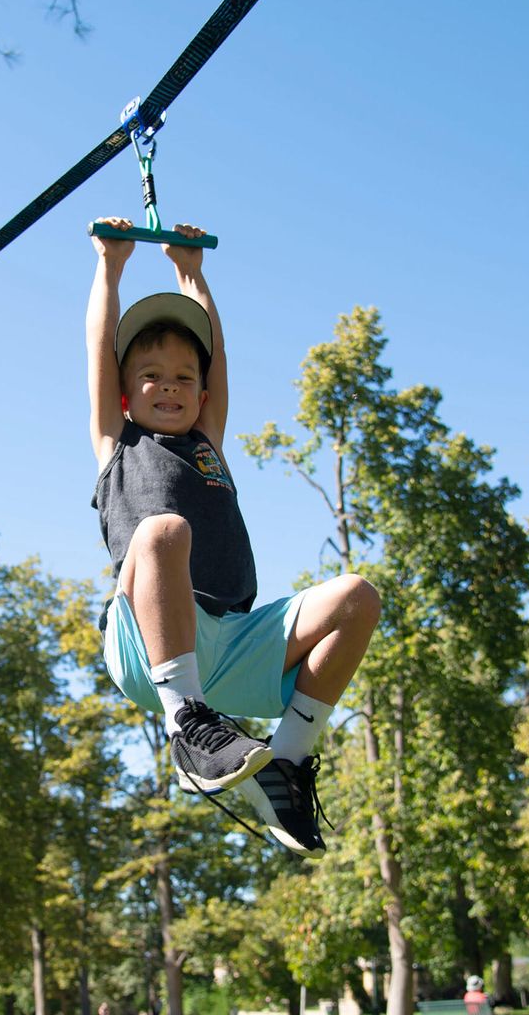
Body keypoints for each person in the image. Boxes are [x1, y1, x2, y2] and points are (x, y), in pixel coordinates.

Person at [86, 217, 381, 860]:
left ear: (203, 391)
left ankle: (290, 759)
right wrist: (111, 266)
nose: (169, 385)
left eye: (184, 378)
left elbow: (216, 357)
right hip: (148, 643)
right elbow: (98, 351)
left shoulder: (208, 443)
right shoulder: (118, 443)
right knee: (164, 531)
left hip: (233, 643)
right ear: (123, 392)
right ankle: (187, 721)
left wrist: (192, 274)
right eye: (151, 375)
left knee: (357, 596)